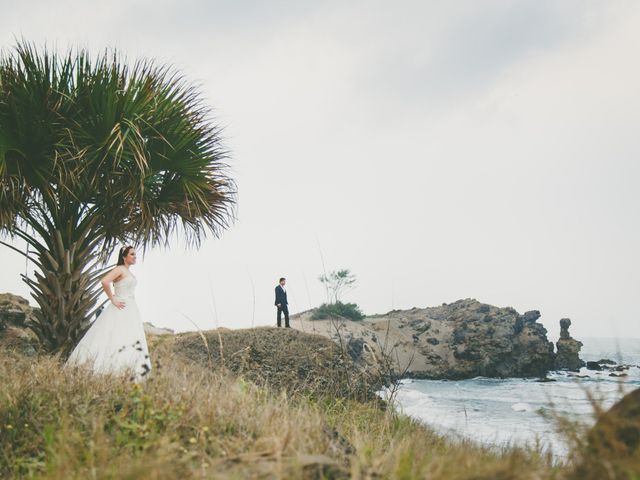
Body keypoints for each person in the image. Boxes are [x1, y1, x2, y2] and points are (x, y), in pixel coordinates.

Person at [66, 246, 151, 381]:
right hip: (120, 306)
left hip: (130, 309)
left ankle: (128, 370)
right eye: (132, 254)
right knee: (114, 336)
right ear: (124, 256)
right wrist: (113, 298)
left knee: (128, 337)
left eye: (135, 254)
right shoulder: (119, 269)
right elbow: (104, 281)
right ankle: (107, 369)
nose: (135, 256)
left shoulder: (128, 271)